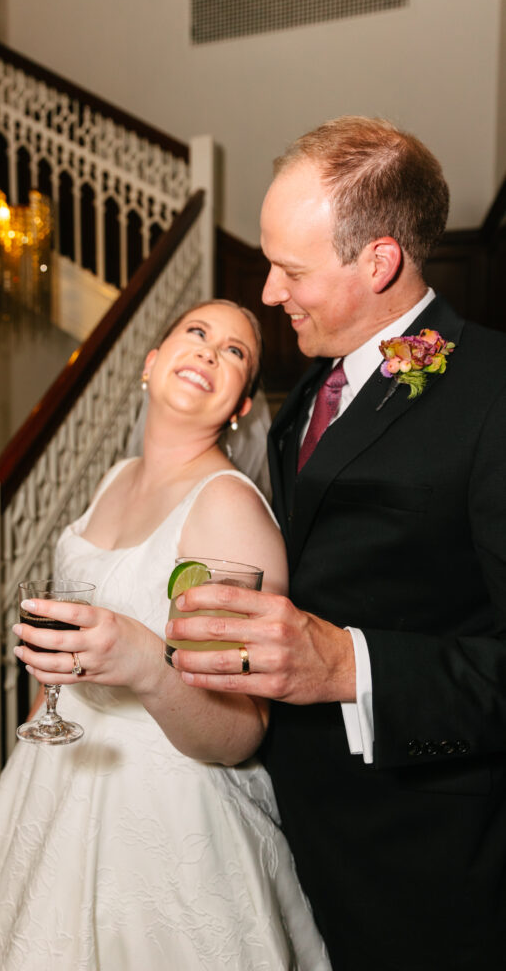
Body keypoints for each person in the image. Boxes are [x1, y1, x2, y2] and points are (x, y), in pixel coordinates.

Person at [0, 300, 330, 971]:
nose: (209, 351)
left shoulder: (228, 507)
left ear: (241, 406)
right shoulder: (114, 478)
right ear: (151, 363)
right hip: (53, 774)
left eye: (234, 352)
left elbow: (241, 733)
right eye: (196, 332)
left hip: (163, 810)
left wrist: (146, 664)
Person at [169, 117, 506, 971]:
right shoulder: (315, 383)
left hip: (428, 866)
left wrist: (348, 666)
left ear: (379, 262)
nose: (268, 293)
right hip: (290, 830)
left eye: (290, 270)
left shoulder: (493, 391)